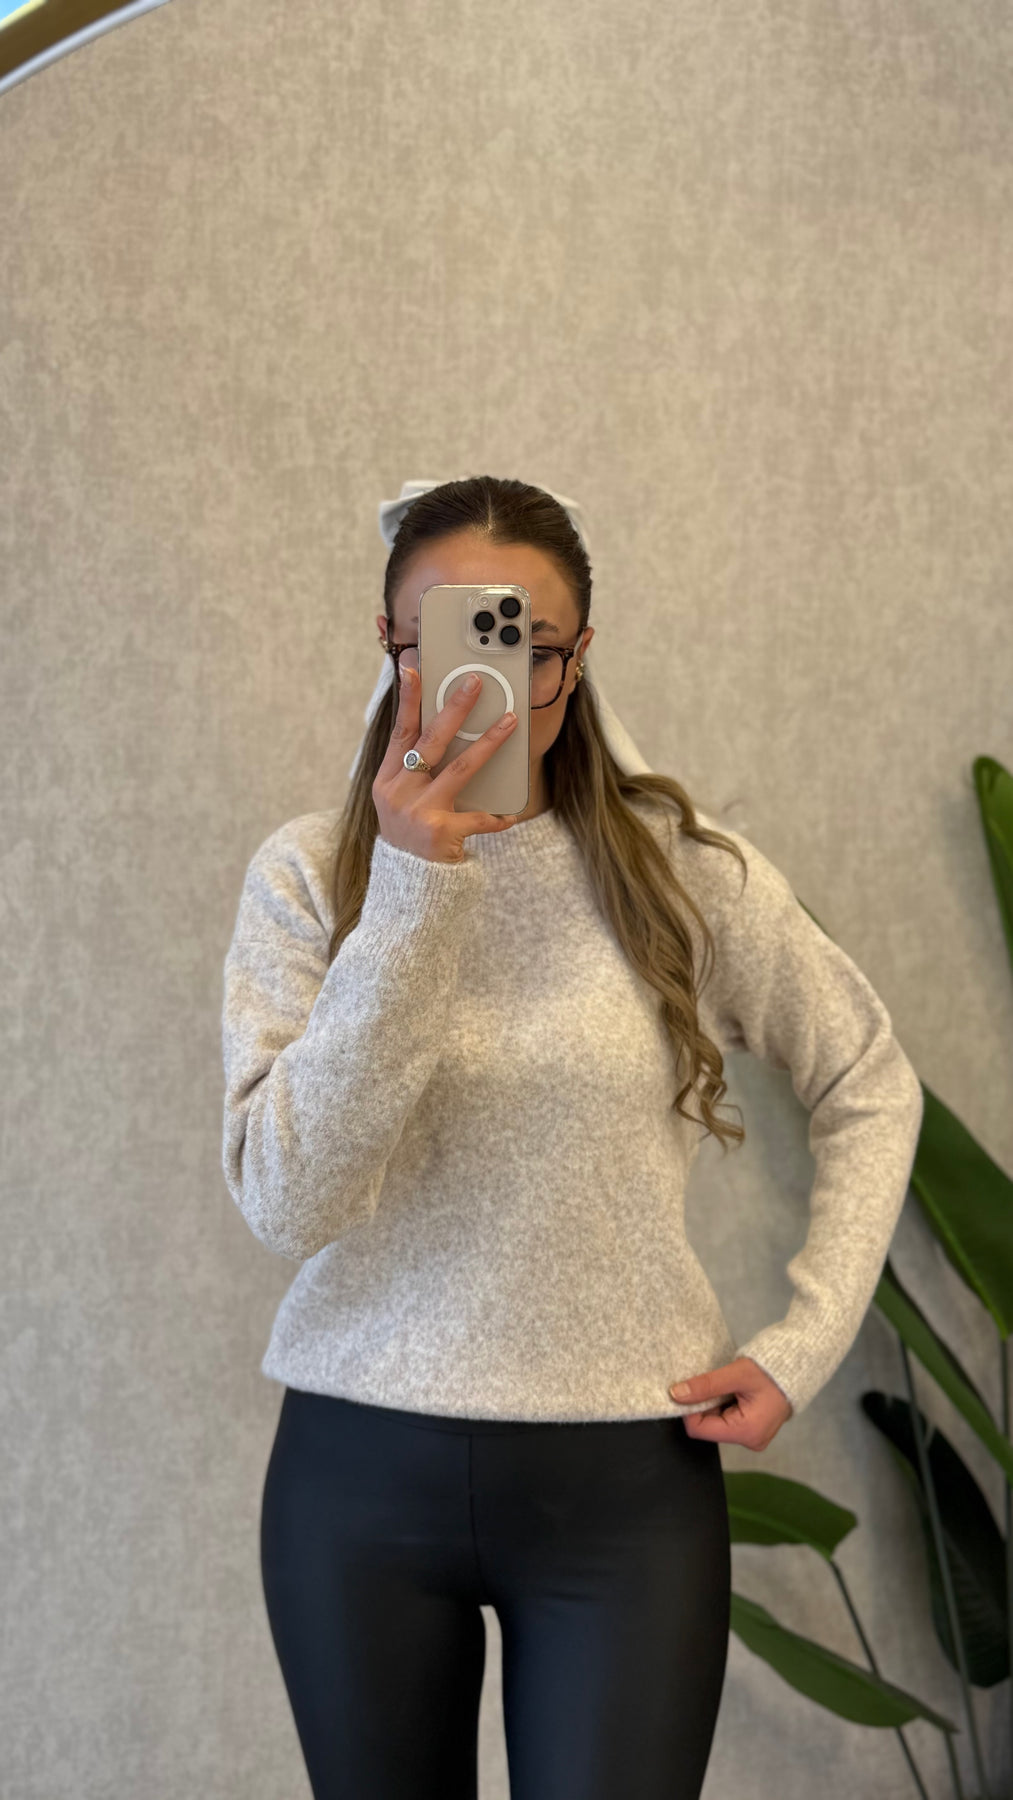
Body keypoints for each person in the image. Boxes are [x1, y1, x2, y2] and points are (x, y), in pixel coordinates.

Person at [220, 475, 924, 1799]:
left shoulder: (679, 873)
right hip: (355, 1482)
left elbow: (869, 1079)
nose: (484, 683)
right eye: (441, 641)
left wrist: (803, 1341)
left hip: (624, 1491)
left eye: (524, 645)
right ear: (391, 646)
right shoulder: (309, 876)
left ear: (578, 657)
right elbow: (286, 1202)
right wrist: (415, 887)